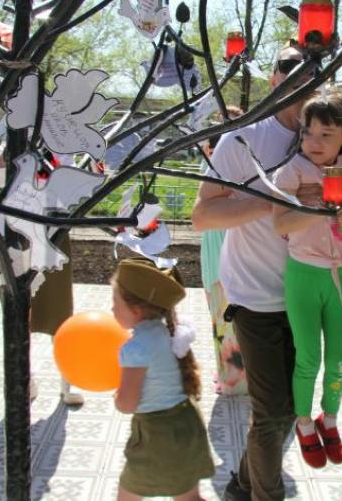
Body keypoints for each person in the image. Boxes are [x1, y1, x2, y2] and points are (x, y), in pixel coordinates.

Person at [192, 45, 309, 501]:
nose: (300, 73)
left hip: (308, 297)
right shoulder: (243, 138)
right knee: (272, 410)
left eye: (311, 65)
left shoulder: (326, 136)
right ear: (273, 77)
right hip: (256, 298)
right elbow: (203, 215)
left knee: (292, 407)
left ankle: (242, 485)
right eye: (289, 65)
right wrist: (269, 203)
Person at [271, 91, 342, 468]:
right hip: (304, 275)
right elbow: (280, 223)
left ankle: (328, 418)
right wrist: (321, 208)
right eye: (308, 133)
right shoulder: (293, 170)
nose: (314, 142)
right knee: (308, 357)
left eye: (326, 134)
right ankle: (303, 422)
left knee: (339, 356)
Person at [0, 141, 83, 405]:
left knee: (59, 310)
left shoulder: (63, 141)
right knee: (17, 311)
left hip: (51, 234)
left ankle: (67, 379)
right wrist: (10, 154)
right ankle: (23, 377)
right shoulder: (14, 138)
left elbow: (68, 185)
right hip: (13, 236)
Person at [111, 257, 214, 501]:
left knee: (128, 495)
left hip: (157, 434)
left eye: (115, 303)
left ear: (136, 310)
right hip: (186, 422)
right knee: (188, 497)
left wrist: (116, 395)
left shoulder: (136, 349)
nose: (112, 310)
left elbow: (127, 404)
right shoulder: (167, 330)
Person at [199, 106, 248, 396]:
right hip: (215, 254)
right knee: (221, 319)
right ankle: (229, 376)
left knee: (232, 319)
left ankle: (236, 380)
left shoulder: (240, 167)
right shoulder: (212, 166)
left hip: (231, 255)